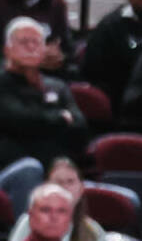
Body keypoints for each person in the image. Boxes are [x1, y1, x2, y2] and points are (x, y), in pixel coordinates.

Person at [0, 17, 87, 160]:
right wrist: (61, 117)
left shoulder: (57, 85)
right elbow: (21, 121)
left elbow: (80, 127)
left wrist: (42, 123)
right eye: (23, 42)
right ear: (7, 49)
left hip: (57, 162)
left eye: (36, 42)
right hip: (13, 164)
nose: (31, 47)